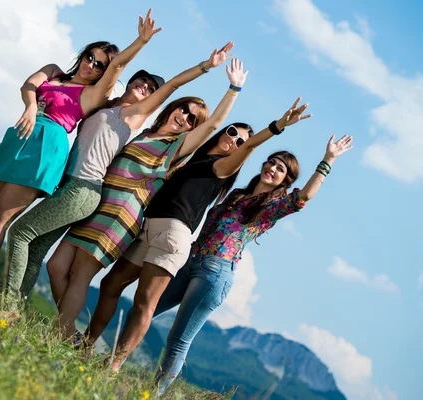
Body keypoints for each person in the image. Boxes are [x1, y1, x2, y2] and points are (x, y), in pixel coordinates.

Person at [86, 98, 313, 371]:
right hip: (149, 228)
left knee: (146, 302)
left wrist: (278, 126)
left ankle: (113, 366)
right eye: (233, 133)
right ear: (223, 131)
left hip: (173, 235)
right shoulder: (192, 153)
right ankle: (87, 345)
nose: (235, 142)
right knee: (111, 283)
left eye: (241, 143)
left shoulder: (223, 166)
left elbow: (256, 148)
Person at [48, 53, 248, 339]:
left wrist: (233, 89)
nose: (185, 117)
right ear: (173, 109)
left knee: (80, 275)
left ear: (193, 129)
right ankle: (70, 333)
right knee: (57, 266)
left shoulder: (176, 146)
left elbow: (214, 123)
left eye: (192, 119)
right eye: (184, 110)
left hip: (121, 216)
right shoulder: (146, 133)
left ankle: (59, 337)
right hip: (96, 205)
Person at [151, 134, 353, 395]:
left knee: (178, 340)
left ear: (285, 180)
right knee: (146, 309)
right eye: (272, 162)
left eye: (281, 169)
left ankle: (152, 393)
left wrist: (328, 160)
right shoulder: (237, 194)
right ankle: (111, 362)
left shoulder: (273, 206)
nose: (273, 168)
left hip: (214, 273)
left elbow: (304, 197)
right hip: (190, 260)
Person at [0, 10, 163, 315]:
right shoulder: (106, 104)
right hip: (73, 186)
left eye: (151, 90)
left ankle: (5, 306)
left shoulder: (133, 116)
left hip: (83, 190)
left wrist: (140, 42)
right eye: (142, 81)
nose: (144, 87)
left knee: (19, 233)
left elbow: (116, 64)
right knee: (35, 249)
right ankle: (13, 310)